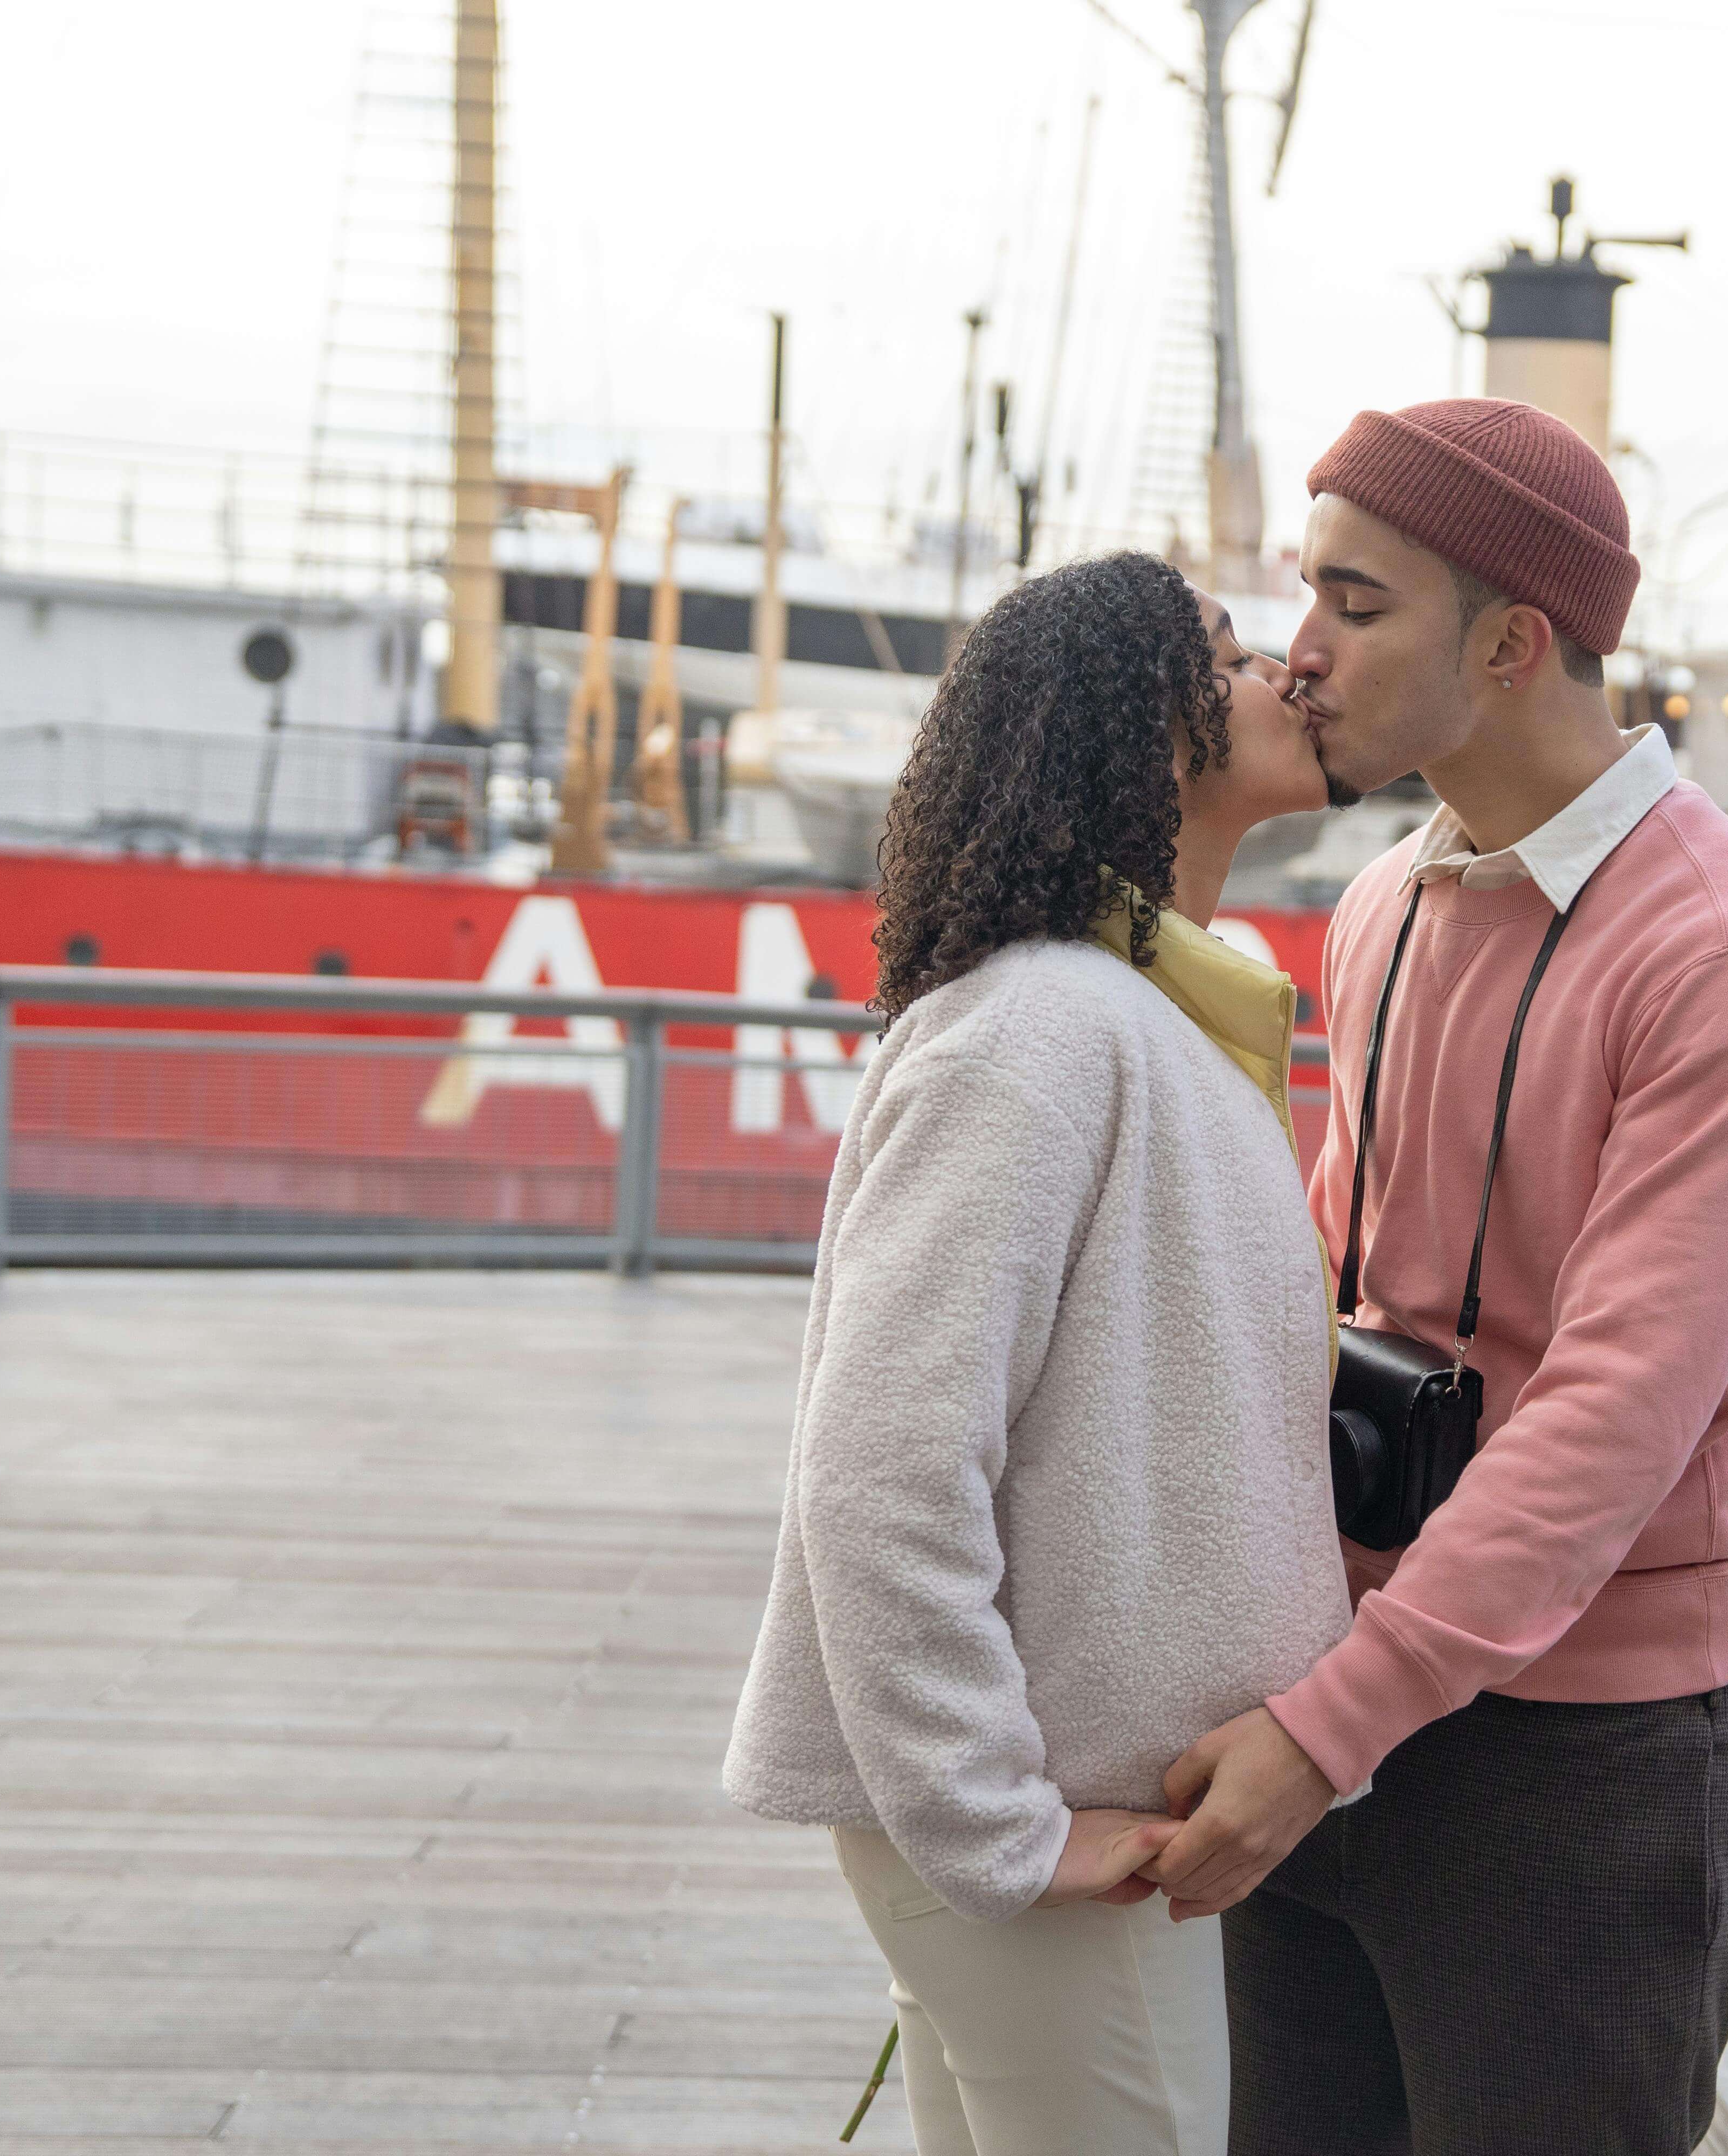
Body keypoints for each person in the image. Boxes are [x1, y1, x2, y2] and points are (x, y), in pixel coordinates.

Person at [1142, 399, 1728, 2155]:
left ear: (1516, 641)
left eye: (1356, 605)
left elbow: (1616, 1416)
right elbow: (1327, 1286)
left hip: (1595, 1758)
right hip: (1341, 1679)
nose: (1297, 657)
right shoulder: (1381, 906)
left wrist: (1323, 1737)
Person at [722, 550, 1349, 2156]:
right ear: (1142, 728)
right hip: (1062, 1819)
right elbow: (880, 1472)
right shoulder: (1044, 1033)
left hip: (1095, 1805)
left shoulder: (1141, 1023)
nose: (1281, 666)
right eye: (1225, 651)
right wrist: (996, 1829)